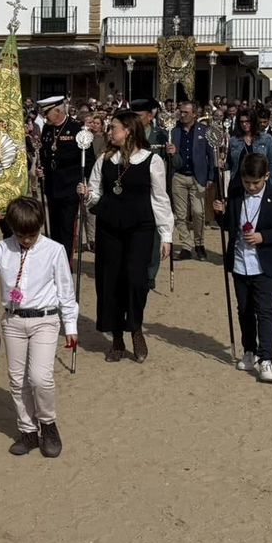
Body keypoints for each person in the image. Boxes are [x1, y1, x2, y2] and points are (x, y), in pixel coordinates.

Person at [0, 196, 76, 459]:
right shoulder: (2, 249)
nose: (27, 240)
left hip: (45, 319)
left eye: (32, 234)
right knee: (17, 380)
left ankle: (48, 424)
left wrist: (71, 324)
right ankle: (27, 430)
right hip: (14, 320)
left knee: (40, 378)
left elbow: (66, 290)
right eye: (21, 235)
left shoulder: (54, 250)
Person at [86, 109, 172, 364]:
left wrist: (166, 234)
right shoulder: (104, 159)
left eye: (113, 127)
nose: (109, 131)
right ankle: (116, 338)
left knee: (136, 280)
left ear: (129, 130)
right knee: (110, 282)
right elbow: (95, 193)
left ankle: (135, 327)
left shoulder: (152, 160)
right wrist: (86, 195)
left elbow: (160, 198)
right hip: (109, 226)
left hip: (140, 227)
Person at [213, 151, 272, 385]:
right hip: (240, 262)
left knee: (265, 311)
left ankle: (266, 358)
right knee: (244, 310)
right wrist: (220, 214)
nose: (250, 186)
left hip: (265, 264)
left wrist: (264, 236)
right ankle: (249, 350)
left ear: (266, 177)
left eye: (255, 182)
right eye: (246, 182)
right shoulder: (236, 193)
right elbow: (229, 226)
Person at [38, 101, 91, 249]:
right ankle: (55, 263)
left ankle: (66, 265)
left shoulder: (77, 128)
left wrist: (86, 182)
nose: (44, 116)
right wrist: (42, 168)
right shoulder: (47, 129)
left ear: (57, 112)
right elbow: (45, 153)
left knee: (66, 228)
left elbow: (88, 158)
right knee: (54, 228)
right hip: (52, 186)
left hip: (70, 186)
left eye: (47, 113)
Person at [165, 101, 212, 262]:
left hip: (197, 176)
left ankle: (199, 243)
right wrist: (169, 152)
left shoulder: (204, 131)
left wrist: (211, 176)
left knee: (198, 212)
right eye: (181, 112)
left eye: (186, 112)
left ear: (194, 114)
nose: (182, 115)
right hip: (178, 175)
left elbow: (210, 154)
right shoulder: (173, 130)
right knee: (180, 215)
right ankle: (186, 246)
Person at [227, 111, 272, 189]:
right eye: (242, 122)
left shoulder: (266, 139)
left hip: (258, 183)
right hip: (238, 182)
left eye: (247, 121)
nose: (244, 124)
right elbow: (230, 164)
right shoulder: (234, 140)